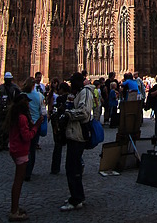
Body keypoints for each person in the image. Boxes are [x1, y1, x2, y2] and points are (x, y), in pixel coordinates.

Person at [4, 92, 42, 221]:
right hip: (21, 151)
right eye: (27, 102)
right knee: (18, 181)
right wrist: (36, 126)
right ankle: (14, 211)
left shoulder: (15, 116)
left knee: (18, 181)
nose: (28, 104)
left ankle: (15, 207)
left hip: (15, 149)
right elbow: (27, 136)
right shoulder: (22, 118)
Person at [60, 72, 94, 211]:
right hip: (74, 134)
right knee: (74, 167)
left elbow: (84, 113)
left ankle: (76, 199)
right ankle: (78, 195)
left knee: (72, 167)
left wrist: (68, 114)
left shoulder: (85, 93)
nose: (71, 85)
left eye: (73, 82)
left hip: (78, 135)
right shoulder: (79, 93)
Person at [22, 76, 45, 181]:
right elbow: (43, 112)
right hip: (36, 124)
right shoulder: (39, 96)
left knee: (24, 148)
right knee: (32, 149)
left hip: (23, 124)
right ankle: (28, 172)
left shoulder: (21, 96)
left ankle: (22, 169)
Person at [0, 71, 21, 152]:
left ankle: (5, 144)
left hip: (9, 110)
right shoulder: (1, 87)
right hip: (1, 110)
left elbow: (19, 98)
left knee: (7, 128)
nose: (8, 80)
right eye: (7, 79)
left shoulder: (15, 87)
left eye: (9, 79)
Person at [50, 81, 70, 175]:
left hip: (61, 124)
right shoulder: (72, 98)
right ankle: (72, 166)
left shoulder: (60, 99)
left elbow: (56, 111)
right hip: (69, 124)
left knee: (58, 146)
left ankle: (55, 168)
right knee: (72, 146)